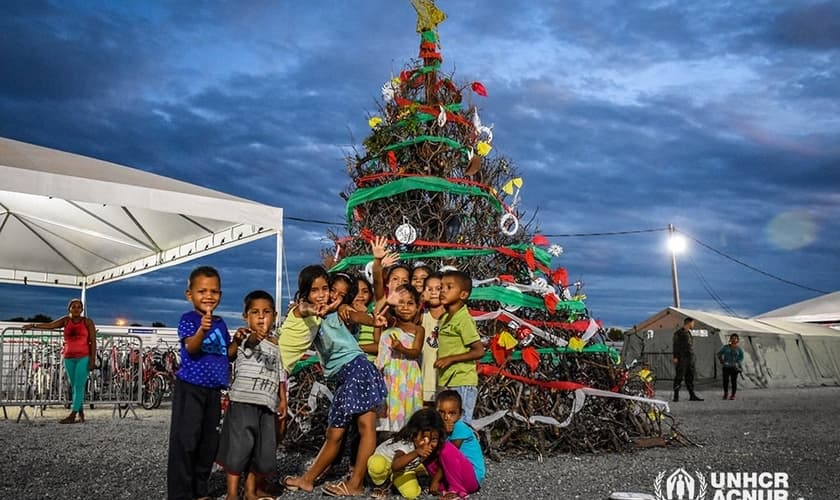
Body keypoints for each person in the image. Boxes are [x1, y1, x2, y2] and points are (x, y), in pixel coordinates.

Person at [282, 266, 388, 497]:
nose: (323, 295)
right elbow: (304, 310)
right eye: (316, 290)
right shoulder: (316, 312)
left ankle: (314, 480)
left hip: (353, 369)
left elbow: (353, 314)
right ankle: (354, 483)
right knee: (364, 427)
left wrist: (373, 320)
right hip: (357, 369)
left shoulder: (338, 310)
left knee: (338, 432)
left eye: (325, 289)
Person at [167, 265, 244, 500]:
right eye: (202, 291)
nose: (209, 296)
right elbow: (191, 347)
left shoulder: (220, 323)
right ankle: (180, 494)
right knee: (186, 441)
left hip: (213, 390)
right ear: (189, 294)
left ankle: (200, 490)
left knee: (208, 442)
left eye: (214, 291)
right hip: (190, 388)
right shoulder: (189, 320)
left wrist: (238, 341)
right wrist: (202, 329)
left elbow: (227, 354)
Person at [216, 290, 287, 500]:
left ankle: (250, 491)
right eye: (255, 312)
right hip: (243, 401)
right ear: (245, 316)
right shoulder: (245, 336)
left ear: (274, 315)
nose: (261, 317)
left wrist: (282, 400)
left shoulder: (276, 344)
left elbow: (279, 374)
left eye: (266, 312)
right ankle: (231, 494)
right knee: (238, 450)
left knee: (261, 451)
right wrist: (243, 339)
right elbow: (234, 352)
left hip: (267, 404)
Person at [22, 298, 96, 424]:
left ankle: (73, 414)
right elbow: (50, 325)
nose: (76, 309)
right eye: (73, 306)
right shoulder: (66, 320)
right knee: (74, 387)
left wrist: (92, 359)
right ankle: (81, 412)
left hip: (83, 357)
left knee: (79, 386)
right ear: (69, 309)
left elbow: (93, 341)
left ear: (82, 309)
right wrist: (32, 325)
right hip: (68, 358)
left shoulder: (87, 322)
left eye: (79, 306)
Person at [435, 269, 485, 424]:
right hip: (448, 380)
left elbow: (479, 350)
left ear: (463, 295)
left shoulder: (463, 319)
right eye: (441, 287)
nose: (443, 291)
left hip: (461, 381)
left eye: (449, 287)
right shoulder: (445, 317)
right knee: (447, 426)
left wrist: (451, 359)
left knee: (459, 427)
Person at [375, 284, 425, 432]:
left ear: (417, 307)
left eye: (410, 303)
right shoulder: (388, 325)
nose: (405, 307)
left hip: (409, 377)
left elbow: (415, 352)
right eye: (400, 303)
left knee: (408, 420)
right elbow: (378, 311)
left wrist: (401, 349)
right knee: (387, 421)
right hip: (390, 377)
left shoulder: (418, 330)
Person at [367, 408, 446, 500]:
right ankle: (381, 484)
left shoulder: (433, 447)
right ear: (414, 434)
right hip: (387, 463)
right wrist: (416, 452)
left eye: (433, 440)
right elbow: (395, 465)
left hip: (403, 470)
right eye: (424, 438)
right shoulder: (405, 444)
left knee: (412, 494)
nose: (427, 443)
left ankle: (394, 481)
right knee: (377, 466)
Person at [432, 389, 485, 498]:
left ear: (460, 414)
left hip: (472, 478)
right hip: (457, 474)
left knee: (445, 447)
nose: (446, 417)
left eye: (452, 413)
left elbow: (449, 452)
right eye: (441, 412)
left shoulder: (459, 427)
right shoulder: (438, 428)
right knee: (427, 449)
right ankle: (444, 487)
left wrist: (435, 481)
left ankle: (455, 490)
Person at [420, 273, 444, 406]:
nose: (434, 292)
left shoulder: (453, 318)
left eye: (438, 288)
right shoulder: (422, 317)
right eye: (429, 289)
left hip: (446, 384)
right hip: (425, 383)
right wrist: (421, 301)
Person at [672, 316, 703, 402]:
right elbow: (675, 345)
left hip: (690, 358)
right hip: (682, 358)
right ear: (689, 323)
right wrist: (675, 357)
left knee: (690, 377)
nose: (693, 325)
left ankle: (692, 395)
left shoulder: (688, 333)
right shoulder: (678, 333)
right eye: (693, 323)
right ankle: (676, 396)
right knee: (679, 377)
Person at [718, 333, 744, 400]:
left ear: (737, 340)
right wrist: (722, 360)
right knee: (725, 380)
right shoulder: (725, 347)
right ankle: (726, 393)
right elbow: (719, 353)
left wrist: (738, 363)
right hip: (726, 367)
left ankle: (733, 395)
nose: (734, 339)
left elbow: (741, 357)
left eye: (735, 338)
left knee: (733, 381)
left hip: (734, 367)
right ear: (730, 339)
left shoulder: (739, 349)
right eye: (732, 338)